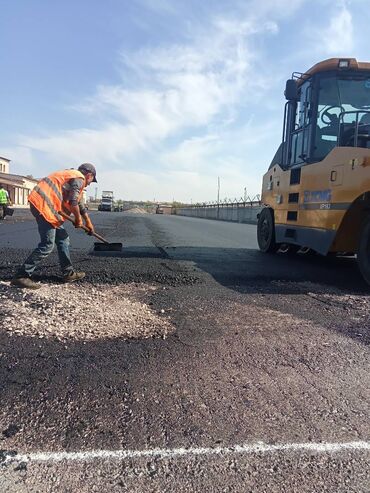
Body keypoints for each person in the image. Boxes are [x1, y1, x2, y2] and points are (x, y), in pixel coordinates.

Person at [11, 163, 97, 289]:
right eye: (91, 180)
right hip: (45, 207)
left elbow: (78, 203)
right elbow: (73, 201)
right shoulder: (79, 178)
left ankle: (68, 273)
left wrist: (88, 222)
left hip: (48, 208)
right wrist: (78, 219)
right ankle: (21, 276)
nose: (89, 183)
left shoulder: (72, 177)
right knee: (47, 244)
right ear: (89, 175)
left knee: (63, 239)